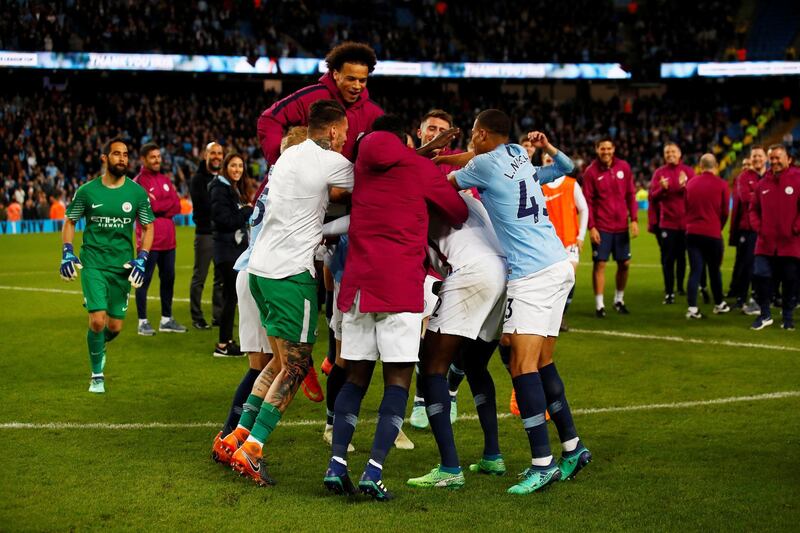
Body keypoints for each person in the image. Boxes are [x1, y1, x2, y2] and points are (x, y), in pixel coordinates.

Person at [323, 115, 468, 501]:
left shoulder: (361, 165)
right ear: (405, 137)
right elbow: (457, 212)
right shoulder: (418, 168)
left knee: (354, 377)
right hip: (399, 287)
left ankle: (336, 465)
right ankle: (373, 471)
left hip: (356, 286)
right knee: (398, 381)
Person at [448, 111, 591, 495]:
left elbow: (447, 182)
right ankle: (573, 447)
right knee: (540, 361)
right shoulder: (516, 155)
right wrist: (546, 147)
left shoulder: (482, 164)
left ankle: (542, 465)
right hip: (559, 264)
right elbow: (566, 166)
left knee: (520, 364)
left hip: (531, 273)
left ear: (478, 134)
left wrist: (431, 160)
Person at [228, 100, 355, 486]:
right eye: (345, 134)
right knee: (297, 366)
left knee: (277, 363)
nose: (346, 140)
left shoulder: (288, 155)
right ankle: (253, 449)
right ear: (332, 132)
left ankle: (236, 438)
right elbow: (381, 179)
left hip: (260, 272)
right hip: (289, 275)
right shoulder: (330, 161)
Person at [406, 192, 508, 489]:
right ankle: (492, 455)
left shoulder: (416, 201)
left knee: (432, 366)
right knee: (475, 364)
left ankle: (450, 467)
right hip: (503, 271)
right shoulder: (467, 198)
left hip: (472, 271)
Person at [59, 138, 154, 393]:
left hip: (122, 266)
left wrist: (143, 258)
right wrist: (67, 252)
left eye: (125, 154)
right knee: (98, 321)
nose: (122, 158)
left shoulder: (136, 193)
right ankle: (96, 375)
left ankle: (99, 344)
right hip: (93, 264)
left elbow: (148, 227)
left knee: (114, 327)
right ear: (104, 158)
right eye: (116, 154)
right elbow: (70, 221)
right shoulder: (87, 191)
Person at [257, 41, 383, 166]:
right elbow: (269, 119)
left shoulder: (373, 112)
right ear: (335, 74)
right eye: (350, 79)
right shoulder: (312, 97)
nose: (357, 86)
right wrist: (279, 163)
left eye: (362, 80)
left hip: (344, 185)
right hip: (300, 183)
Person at [133, 142, 186, 336]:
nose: (157, 160)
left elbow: (177, 206)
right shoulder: (139, 182)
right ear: (143, 159)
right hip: (149, 241)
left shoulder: (165, 178)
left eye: (158, 156)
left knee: (168, 279)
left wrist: (160, 205)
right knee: (143, 280)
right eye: (153, 157)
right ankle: (142, 322)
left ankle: (166, 319)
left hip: (168, 241)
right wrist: (164, 206)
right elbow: (149, 208)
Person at [583, 138, 638, 317]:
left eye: (608, 148)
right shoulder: (591, 172)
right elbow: (587, 202)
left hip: (621, 225)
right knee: (600, 264)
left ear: (613, 149)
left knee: (625, 264)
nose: (605, 151)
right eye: (602, 149)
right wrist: (591, 227)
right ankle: (600, 305)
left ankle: (619, 299)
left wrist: (634, 219)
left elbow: (630, 194)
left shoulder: (624, 167)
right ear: (597, 150)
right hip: (602, 226)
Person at [748, 144, 799, 331]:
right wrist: (759, 227)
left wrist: (795, 228)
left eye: (778, 157)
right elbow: (753, 209)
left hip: (790, 242)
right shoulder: (763, 183)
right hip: (765, 242)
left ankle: (787, 317)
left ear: (789, 159)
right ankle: (764, 314)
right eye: (772, 158)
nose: (775, 161)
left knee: (789, 281)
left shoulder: (798, 178)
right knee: (760, 275)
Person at [209, 152, 253, 356]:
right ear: (226, 167)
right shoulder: (220, 189)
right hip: (226, 249)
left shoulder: (231, 188)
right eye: (233, 166)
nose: (237, 169)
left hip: (233, 249)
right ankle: (223, 344)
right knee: (231, 296)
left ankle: (226, 341)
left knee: (232, 295)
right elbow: (223, 219)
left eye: (240, 166)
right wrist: (245, 212)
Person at [542, 151, 589, 329]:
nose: (549, 161)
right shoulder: (538, 185)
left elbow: (584, 209)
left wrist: (581, 236)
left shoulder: (571, 184)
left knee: (568, 279)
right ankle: (549, 315)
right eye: (546, 159)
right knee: (549, 281)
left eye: (551, 158)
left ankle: (560, 315)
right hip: (547, 243)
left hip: (569, 240)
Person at [684, 154, 730, 319]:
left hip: (692, 233)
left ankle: (692, 309)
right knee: (714, 270)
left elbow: (686, 207)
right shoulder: (722, 185)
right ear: (716, 165)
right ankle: (719, 304)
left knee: (695, 271)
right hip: (712, 233)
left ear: (700, 166)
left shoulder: (690, 183)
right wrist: (718, 227)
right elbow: (725, 212)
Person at [649, 143, 695, 304]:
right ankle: (669, 292)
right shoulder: (660, 173)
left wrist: (685, 186)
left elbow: (696, 197)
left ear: (679, 153)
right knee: (668, 259)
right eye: (667, 152)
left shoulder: (689, 171)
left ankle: (680, 287)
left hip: (686, 224)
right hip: (667, 224)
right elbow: (652, 197)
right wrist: (662, 189)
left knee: (682, 257)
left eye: (673, 151)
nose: (670, 154)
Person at [189, 142, 225, 330]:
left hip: (221, 234)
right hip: (205, 233)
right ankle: (197, 317)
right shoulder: (198, 179)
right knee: (200, 277)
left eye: (220, 153)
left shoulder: (223, 177)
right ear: (205, 155)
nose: (217, 156)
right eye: (213, 153)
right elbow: (204, 206)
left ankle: (218, 316)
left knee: (220, 278)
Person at [729, 146, 767, 311]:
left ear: (765, 158)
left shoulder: (771, 176)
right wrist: (767, 196)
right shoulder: (744, 177)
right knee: (747, 265)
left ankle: (764, 297)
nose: (757, 159)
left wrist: (759, 196)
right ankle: (741, 297)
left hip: (768, 229)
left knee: (767, 265)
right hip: (748, 228)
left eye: (759, 155)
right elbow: (746, 198)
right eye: (754, 156)